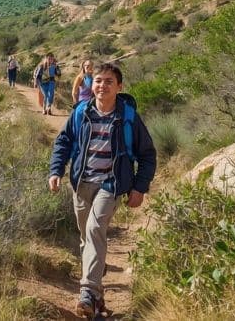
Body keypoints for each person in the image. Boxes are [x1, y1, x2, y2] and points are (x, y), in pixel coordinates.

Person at [48, 62, 156, 318]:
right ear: (90, 84)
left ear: (119, 87)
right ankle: (97, 297)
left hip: (111, 184)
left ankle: (87, 292)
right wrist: (56, 170)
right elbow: (63, 141)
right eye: (98, 80)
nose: (102, 85)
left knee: (95, 229)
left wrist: (139, 187)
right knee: (87, 239)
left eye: (109, 81)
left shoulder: (128, 117)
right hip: (81, 183)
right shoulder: (81, 112)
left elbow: (147, 154)